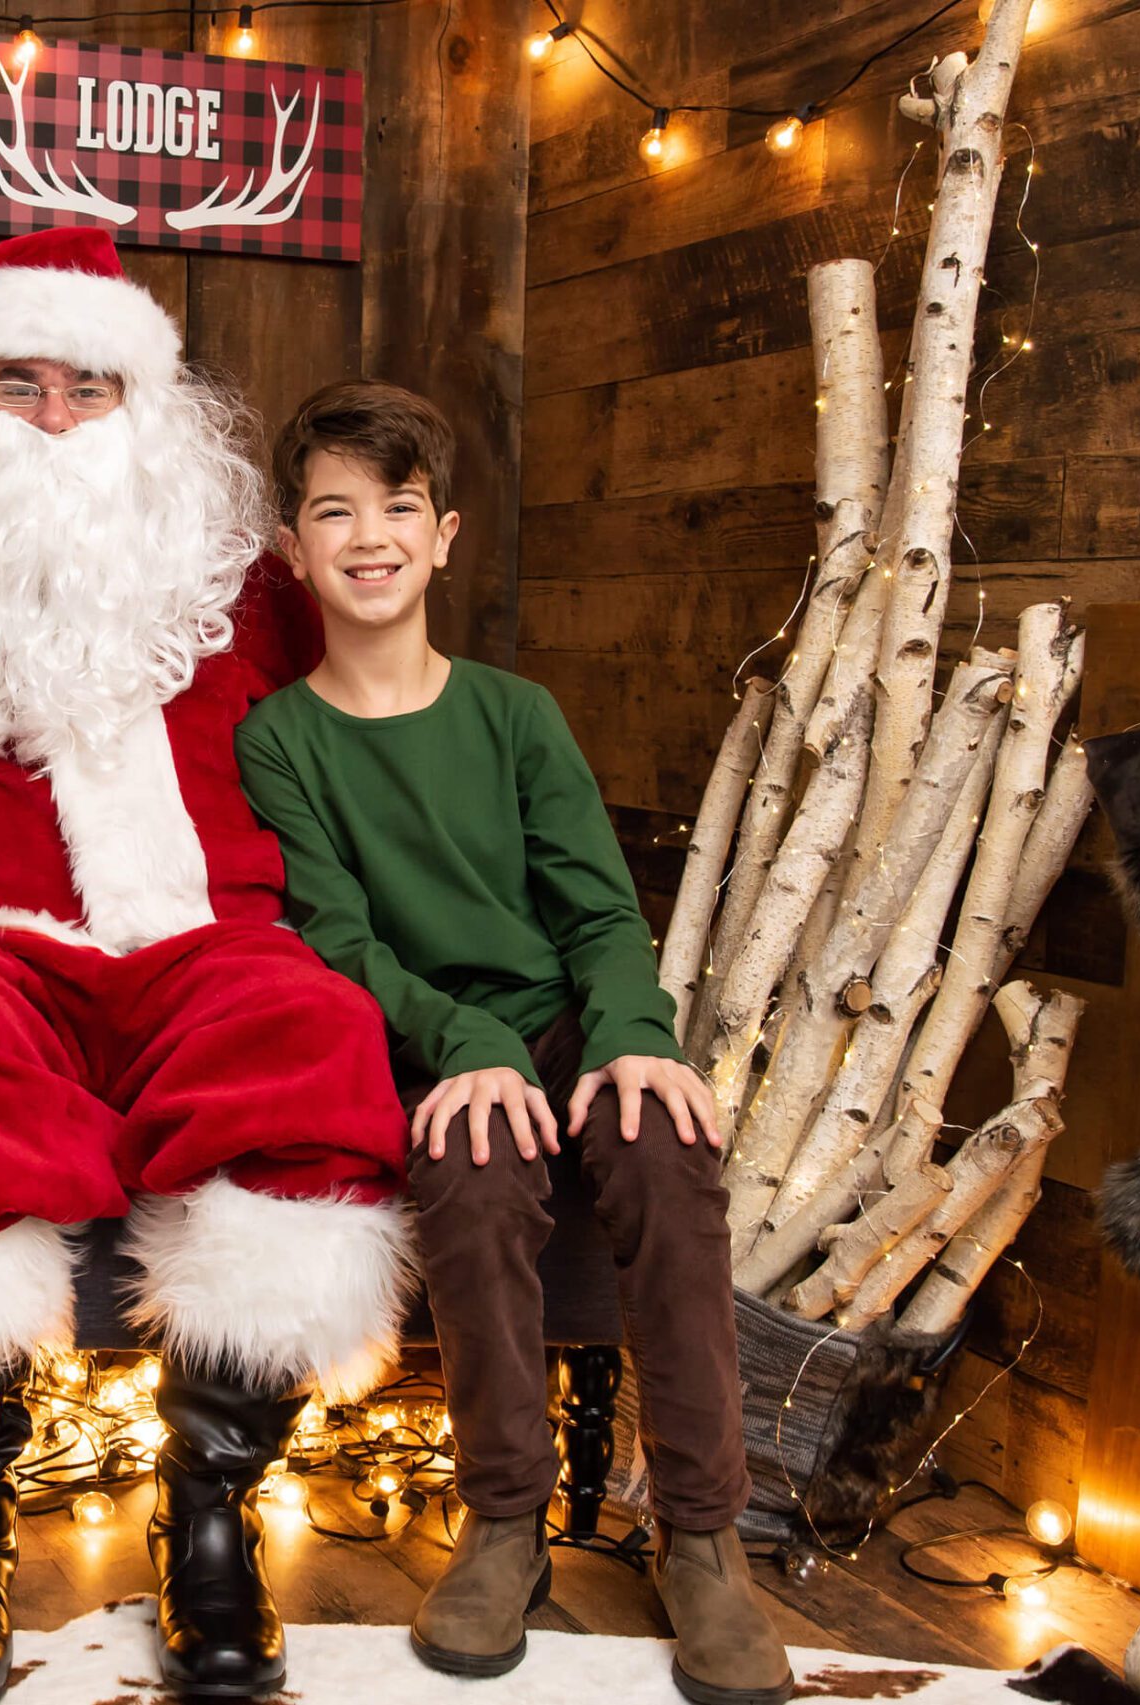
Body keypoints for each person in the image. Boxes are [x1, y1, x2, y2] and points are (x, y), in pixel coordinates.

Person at [0, 228, 412, 1704]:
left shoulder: (258, 596)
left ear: (149, 407)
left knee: (317, 1028)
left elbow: (376, 748)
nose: (60, 418)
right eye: (19, 385)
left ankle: (213, 1517)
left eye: (91, 385)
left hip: (206, 945)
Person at [234, 380, 794, 1705]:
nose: (369, 535)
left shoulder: (515, 715)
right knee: (477, 1185)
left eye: (399, 507)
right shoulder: (283, 739)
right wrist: (462, 1041)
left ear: (444, 537)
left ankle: (706, 1538)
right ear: (294, 549)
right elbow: (338, 937)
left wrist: (631, 1036)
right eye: (335, 511)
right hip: (422, 1040)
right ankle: (503, 1524)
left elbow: (598, 910)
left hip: (558, 1024)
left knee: (665, 1140)